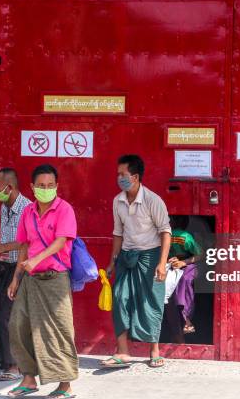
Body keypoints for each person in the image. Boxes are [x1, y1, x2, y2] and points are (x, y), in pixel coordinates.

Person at [7, 164, 79, 398]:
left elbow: (61, 241)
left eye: (50, 186)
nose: (45, 189)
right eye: (41, 186)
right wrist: (16, 279)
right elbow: (24, 247)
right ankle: (28, 378)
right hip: (30, 279)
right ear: (32, 187)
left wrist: (37, 259)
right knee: (18, 326)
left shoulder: (64, 209)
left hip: (55, 279)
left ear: (56, 186)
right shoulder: (28, 212)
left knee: (58, 330)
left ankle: (65, 385)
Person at [102, 154, 172, 369]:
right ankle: (123, 351)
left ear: (135, 176)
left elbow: (166, 232)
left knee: (150, 302)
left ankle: (154, 351)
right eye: (118, 174)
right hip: (126, 256)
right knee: (120, 298)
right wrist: (113, 262)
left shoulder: (153, 200)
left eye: (123, 174)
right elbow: (118, 233)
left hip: (150, 256)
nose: (119, 178)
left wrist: (162, 263)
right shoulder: (117, 201)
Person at [0, 168, 32, 382]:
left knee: (8, 318)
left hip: (20, 268)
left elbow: (28, 241)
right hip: (4, 267)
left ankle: (13, 366)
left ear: (10, 187)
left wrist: (3, 247)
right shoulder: (5, 207)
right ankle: (9, 363)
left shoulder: (27, 208)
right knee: (4, 317)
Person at [162, 215, 202, 343]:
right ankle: (179, 333)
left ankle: (186, 320)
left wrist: (183, 262)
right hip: (168, 268)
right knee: (168, 297)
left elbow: (201, 255)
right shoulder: (160, 235)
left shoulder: (183, 237)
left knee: (183, 284)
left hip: (187, 267)